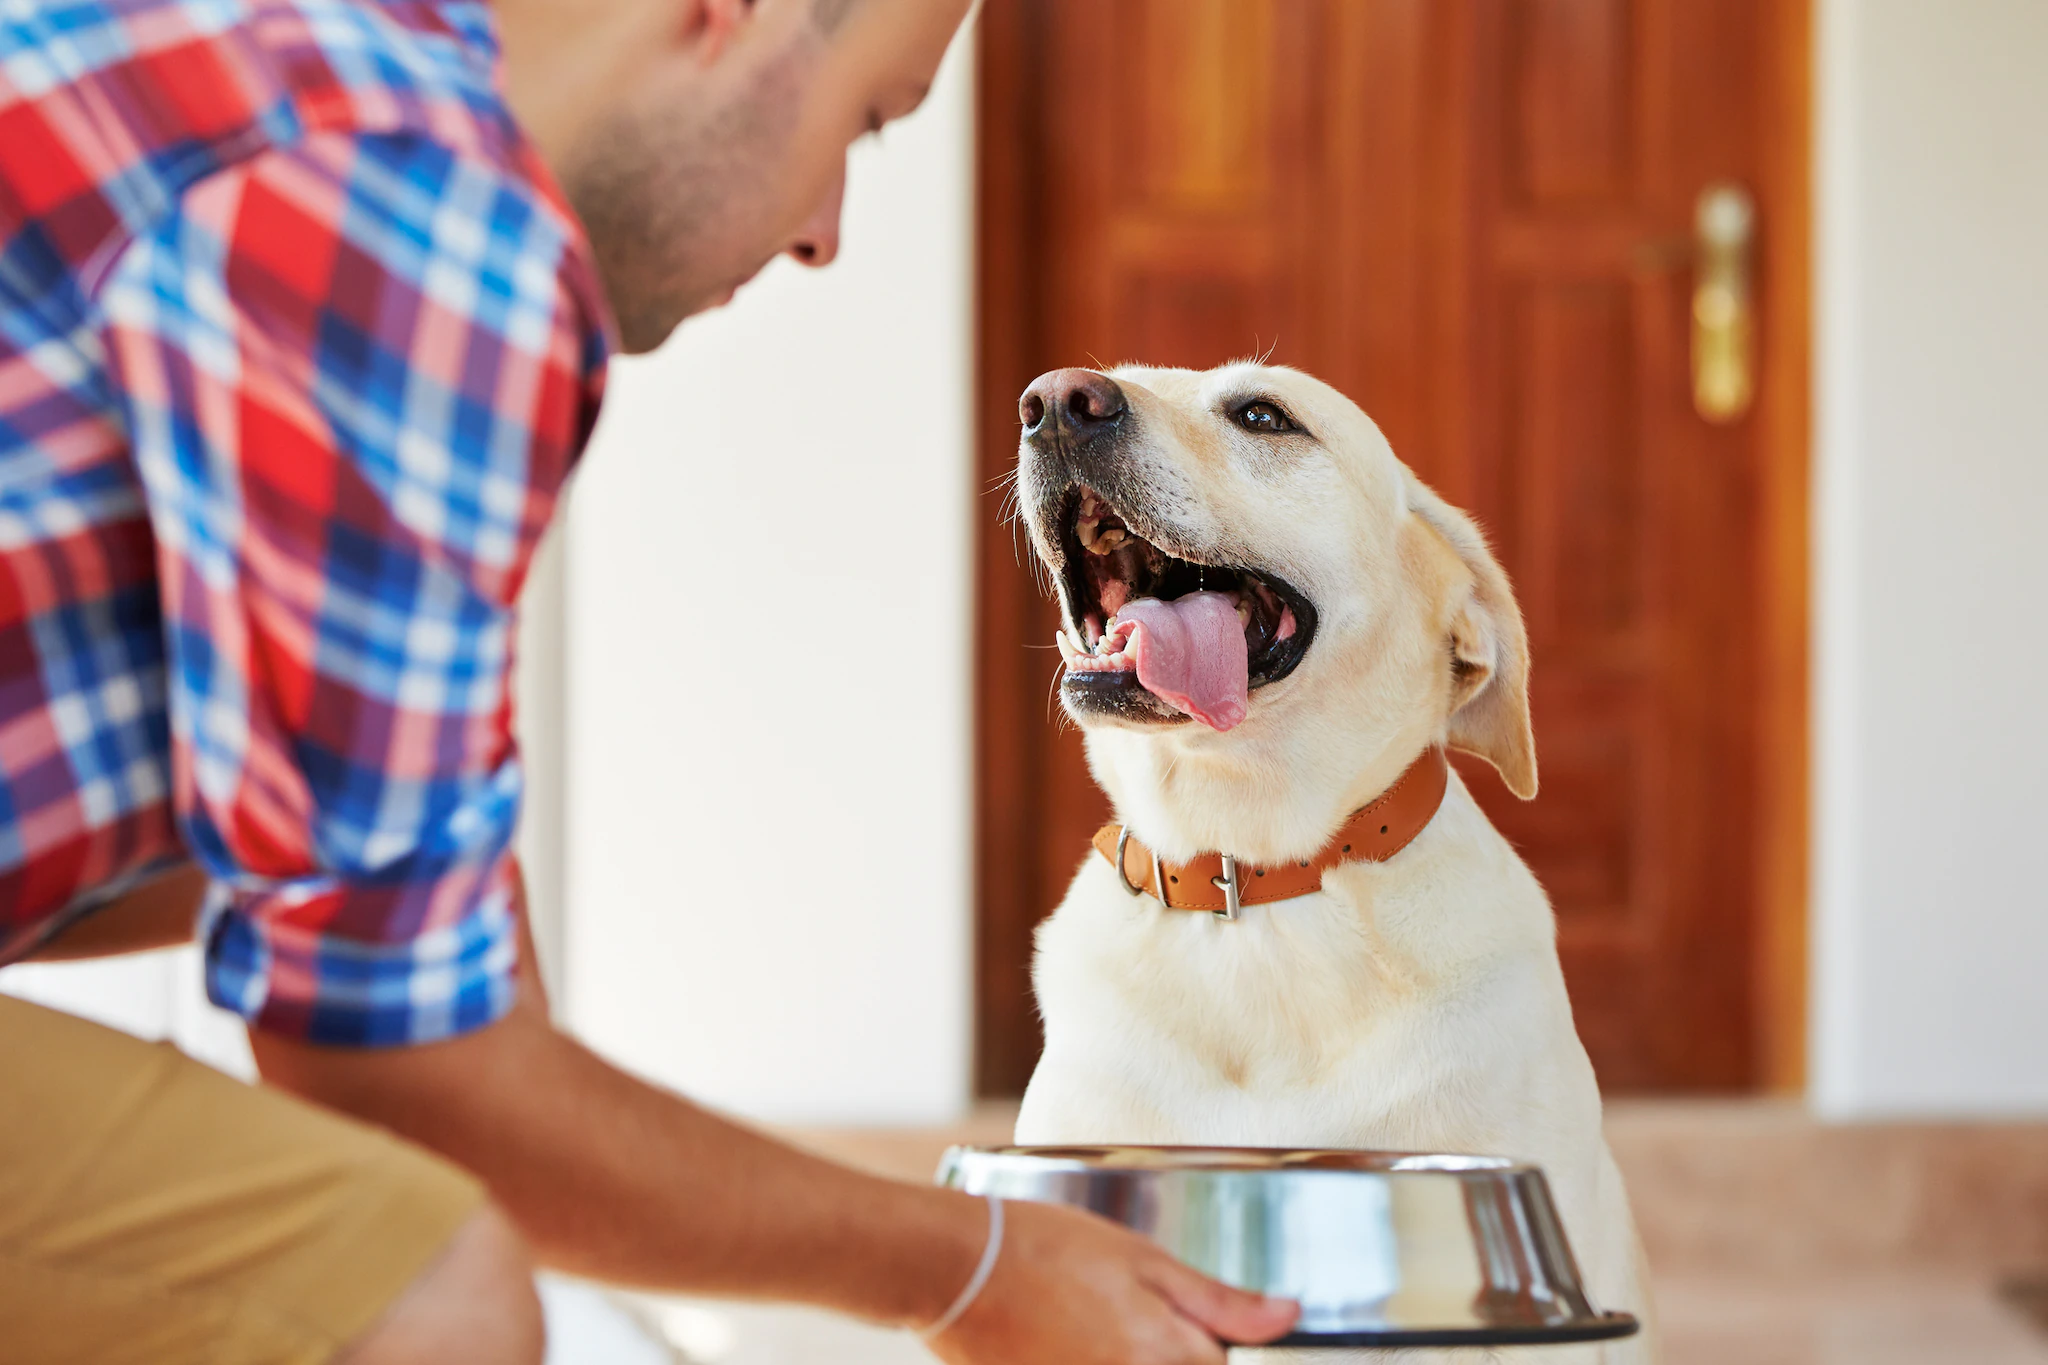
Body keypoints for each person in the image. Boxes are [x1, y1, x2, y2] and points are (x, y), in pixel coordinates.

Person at [0, 0, 1305, 1361]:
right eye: (862, 120)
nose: (824, 230)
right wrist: (971, 1268)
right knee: (423, 1288)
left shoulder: (286, 56)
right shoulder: (417, 213)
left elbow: (346, 893)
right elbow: (398, 1079)